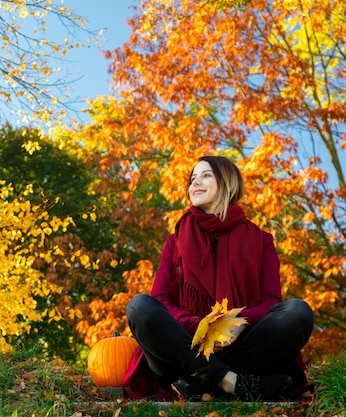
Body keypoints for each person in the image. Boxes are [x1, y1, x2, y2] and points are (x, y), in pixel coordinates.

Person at [123, 155, 314, 401]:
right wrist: (203, 328)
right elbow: (161, 300)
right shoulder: (176, 240)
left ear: (227, 182)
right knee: (140, 307)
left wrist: (236, 323)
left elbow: (270, 302)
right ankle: (229, 382)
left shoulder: (261, 240)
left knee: (297, 311)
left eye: (206, 175)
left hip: (244, 350)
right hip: (184, 352)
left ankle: (200, 383)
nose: (196, 183)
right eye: (193, 179)